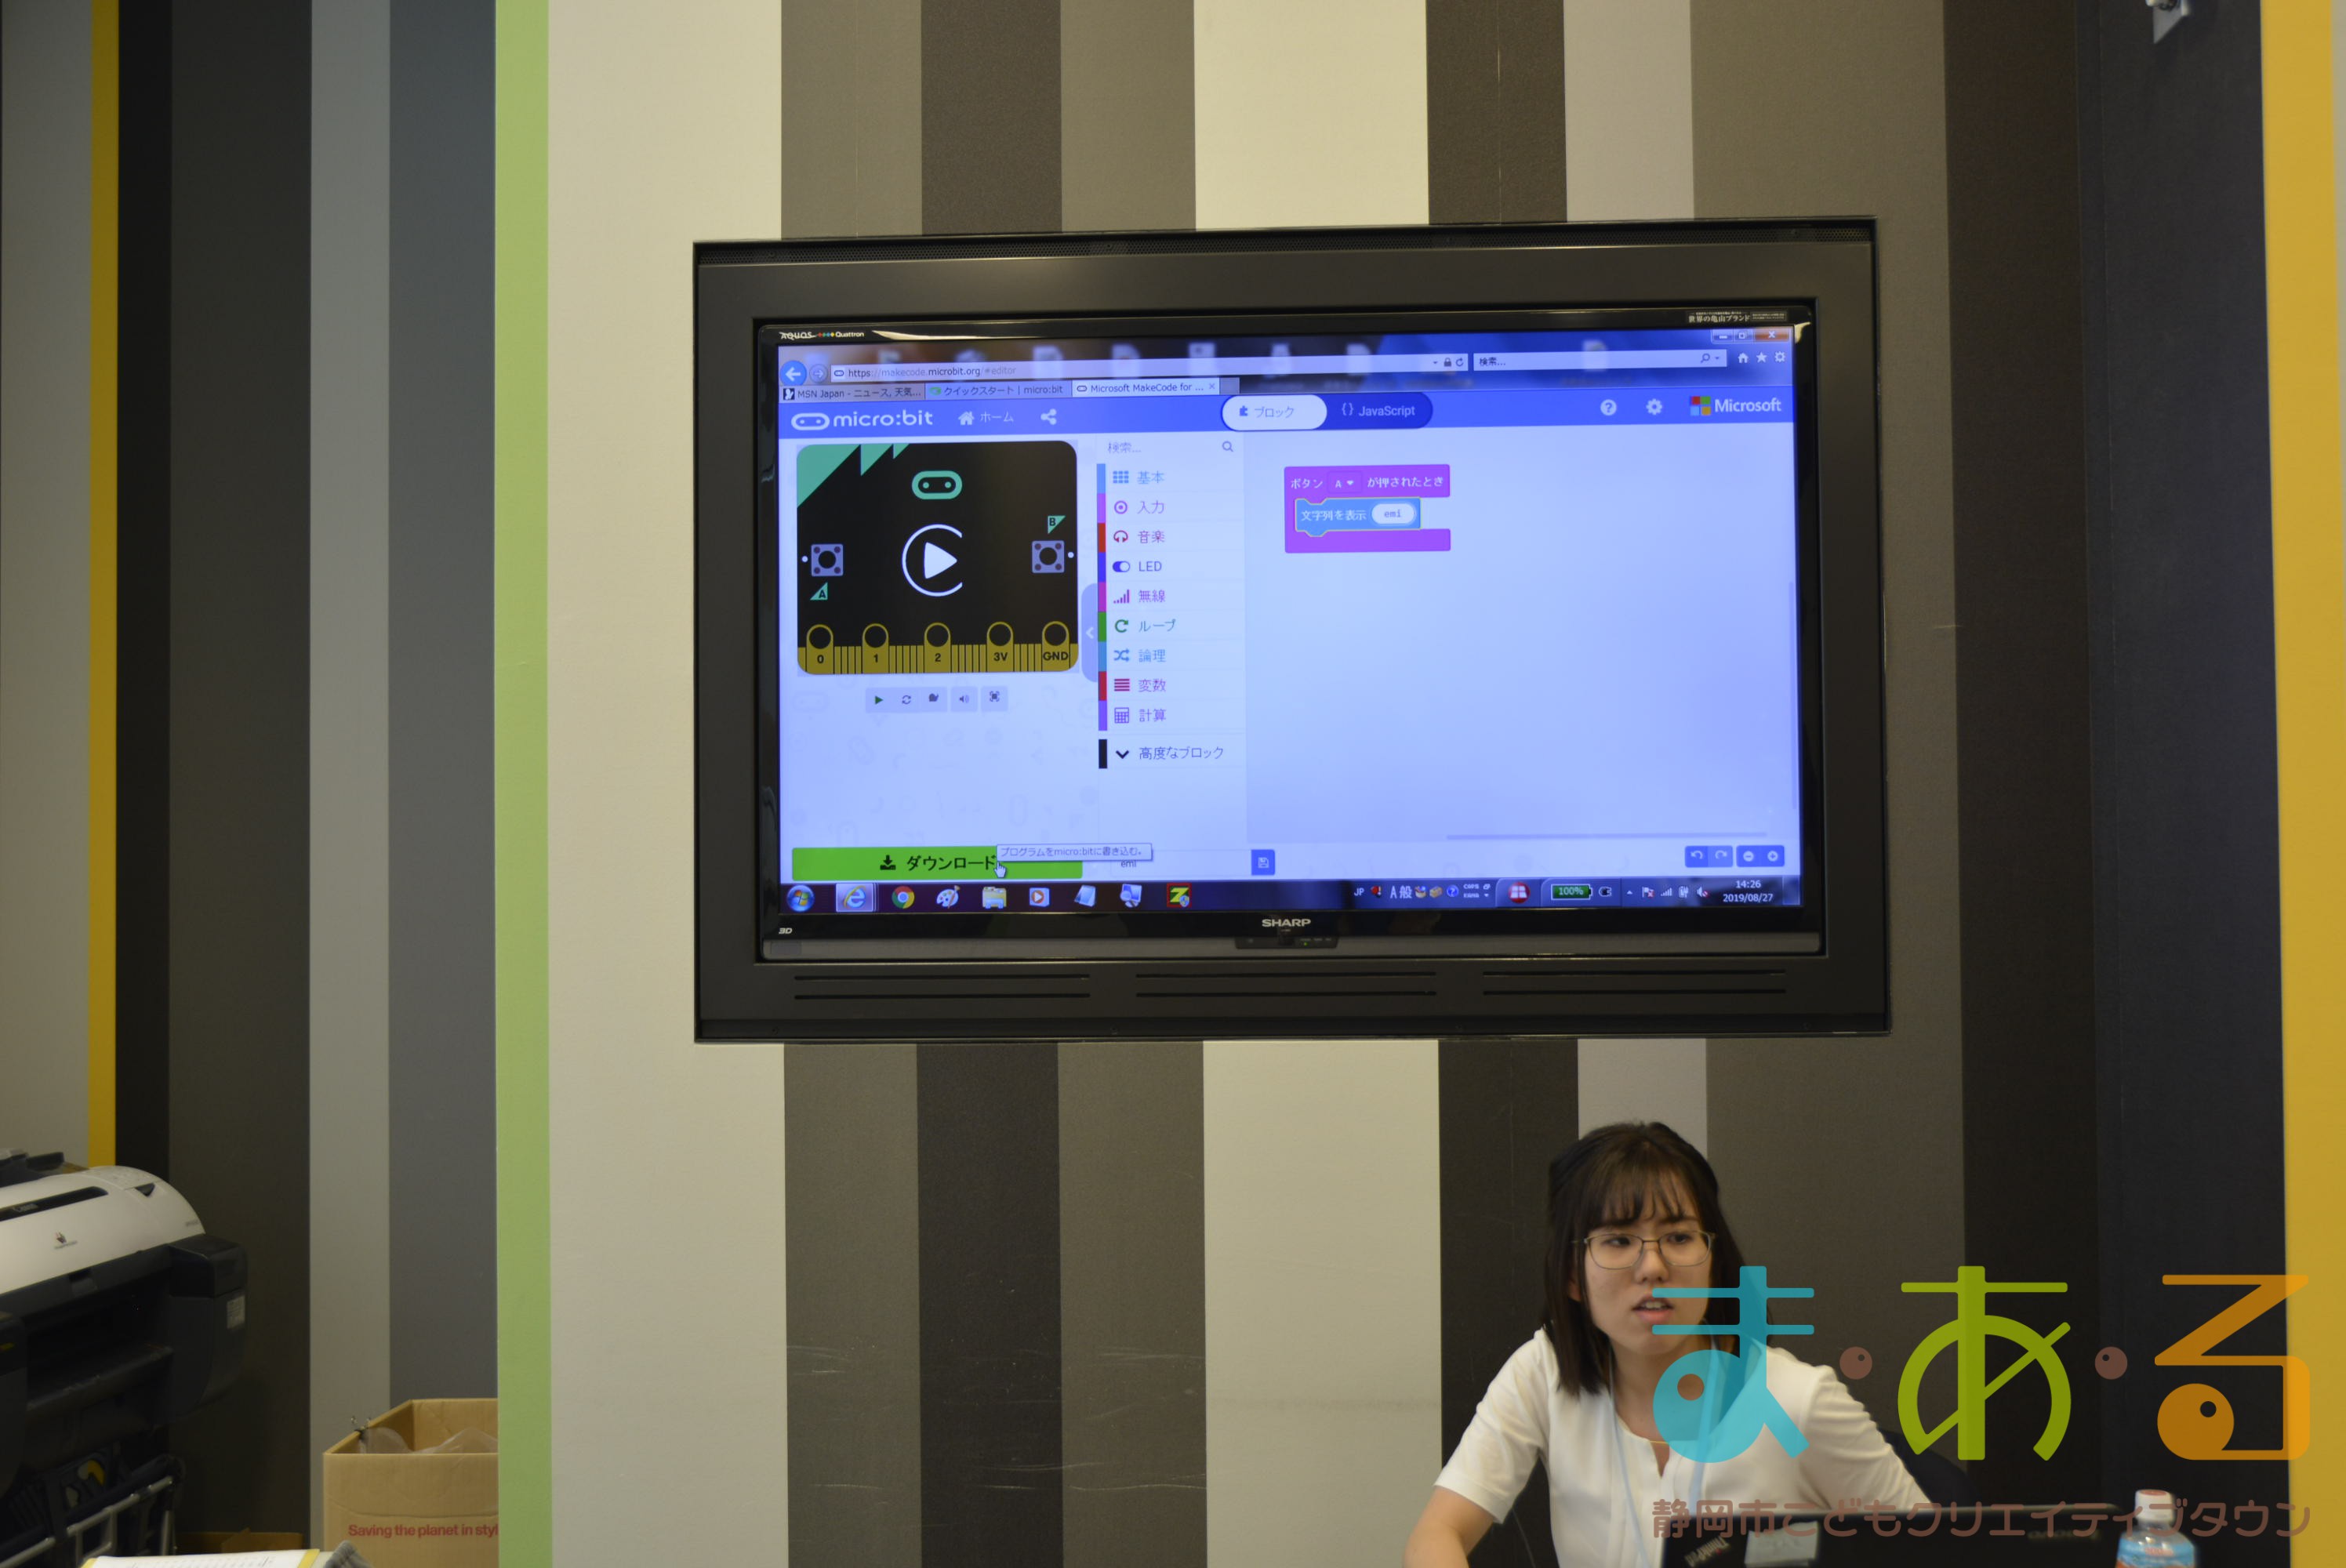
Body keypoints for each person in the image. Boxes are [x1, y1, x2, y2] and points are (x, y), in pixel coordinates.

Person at [1404, 1122, 1927, 1567]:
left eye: (1678, 1238)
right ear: (1571, 1275)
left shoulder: (1797, 1399)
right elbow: (1437, 1533)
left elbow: (1931, 1550)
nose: (1652, 1267)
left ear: (1713, 1262)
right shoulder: (1544, 1372)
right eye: (1618, 1240)